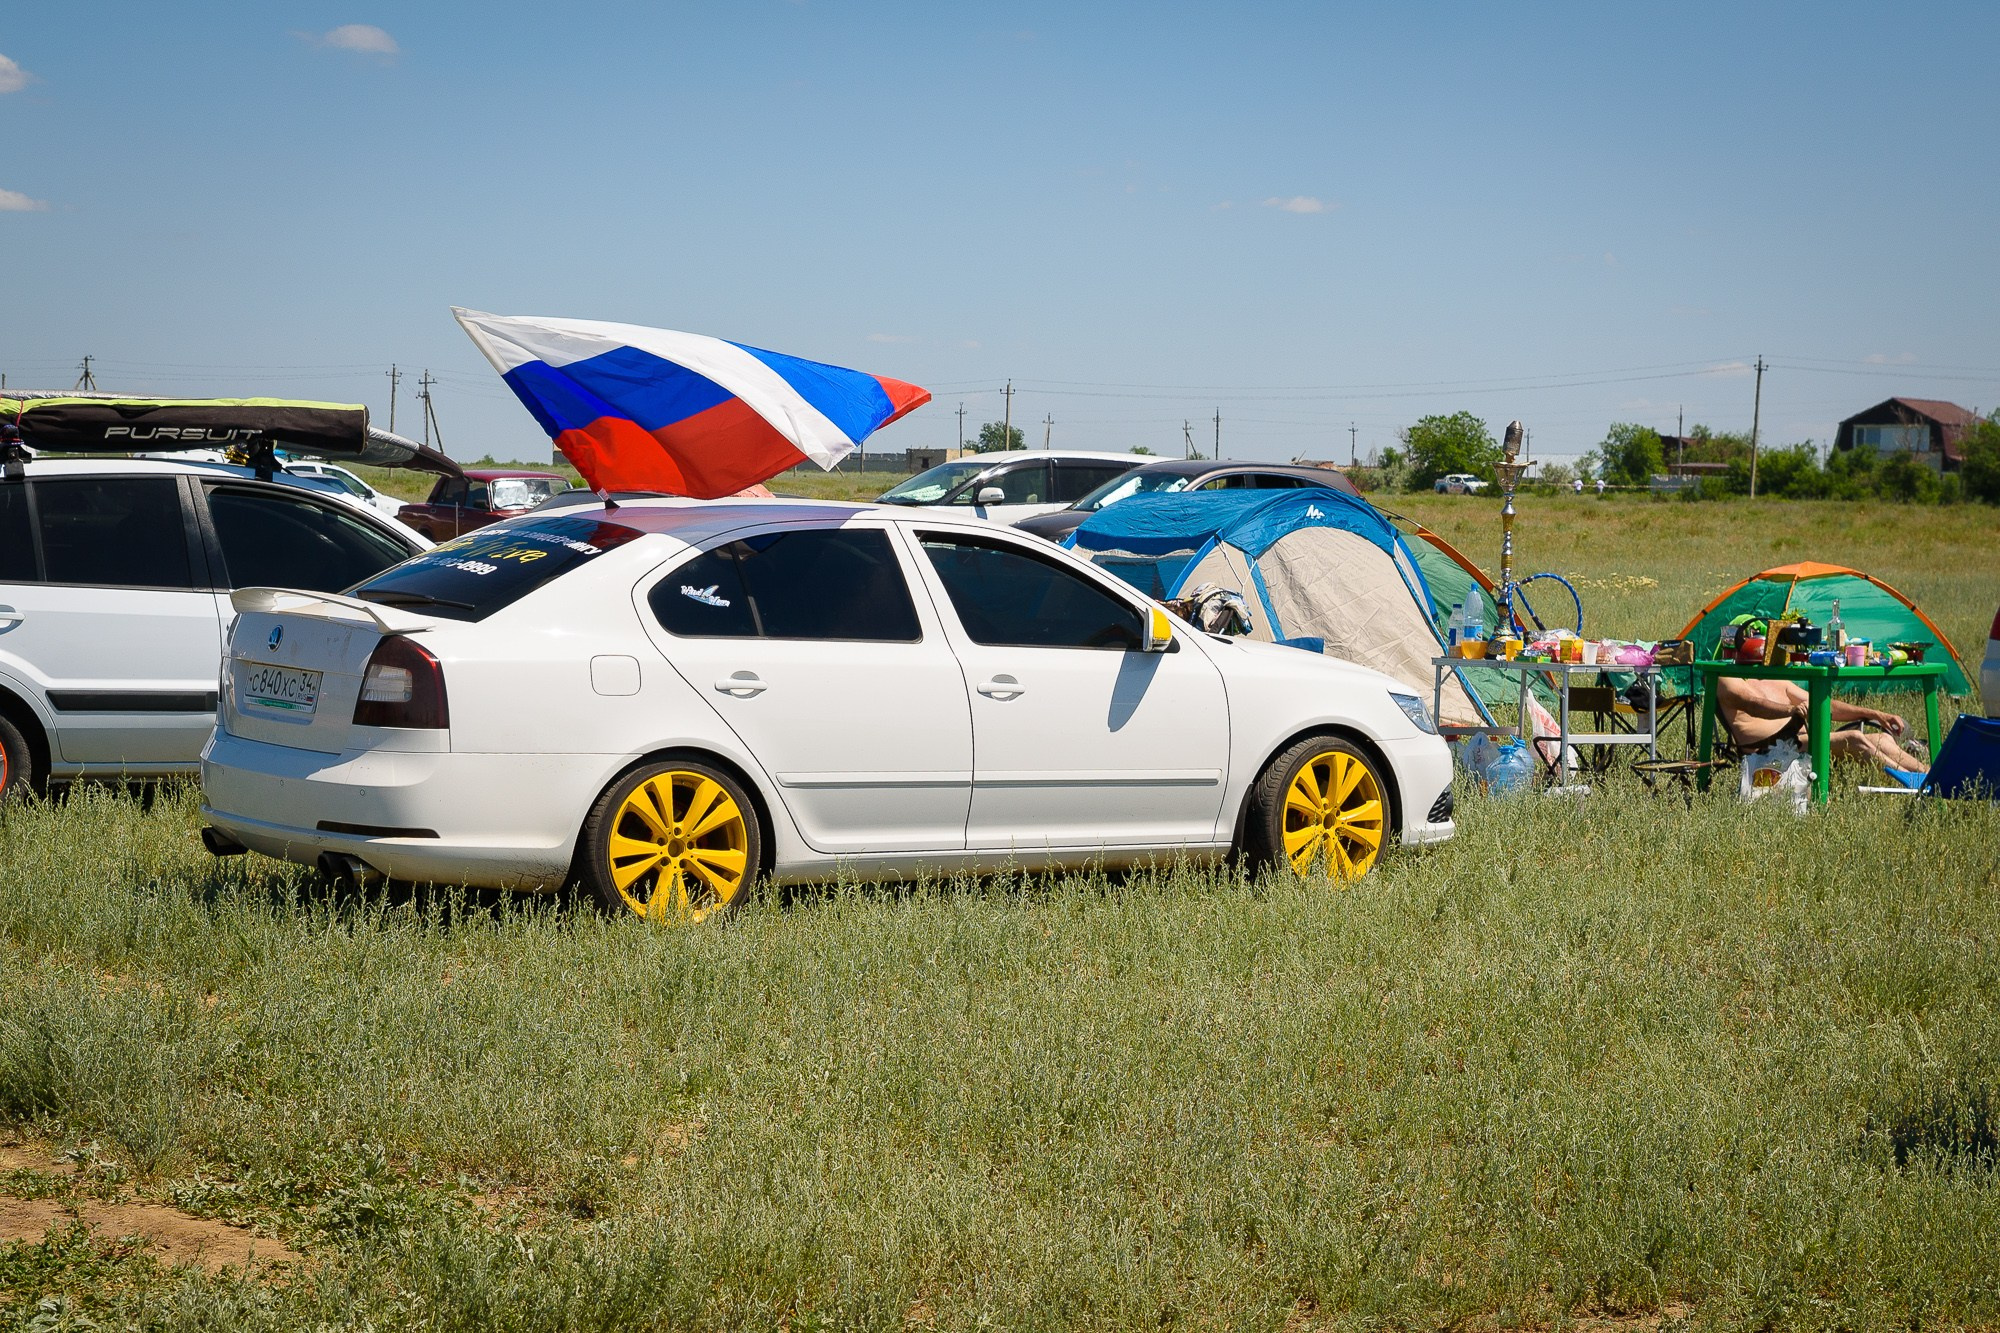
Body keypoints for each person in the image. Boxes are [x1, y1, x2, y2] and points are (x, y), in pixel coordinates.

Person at [1715, 675, 1927, 773]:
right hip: (1765, 748)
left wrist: (1876, 714)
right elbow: (1753, 705)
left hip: (1799, 741)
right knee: (1853, 738)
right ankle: (1910, 782)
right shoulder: (1726, 677)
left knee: (1882, 738)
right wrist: (1791, 711)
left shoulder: (1773, 678)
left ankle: (1928, 774)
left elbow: (1824, 707)